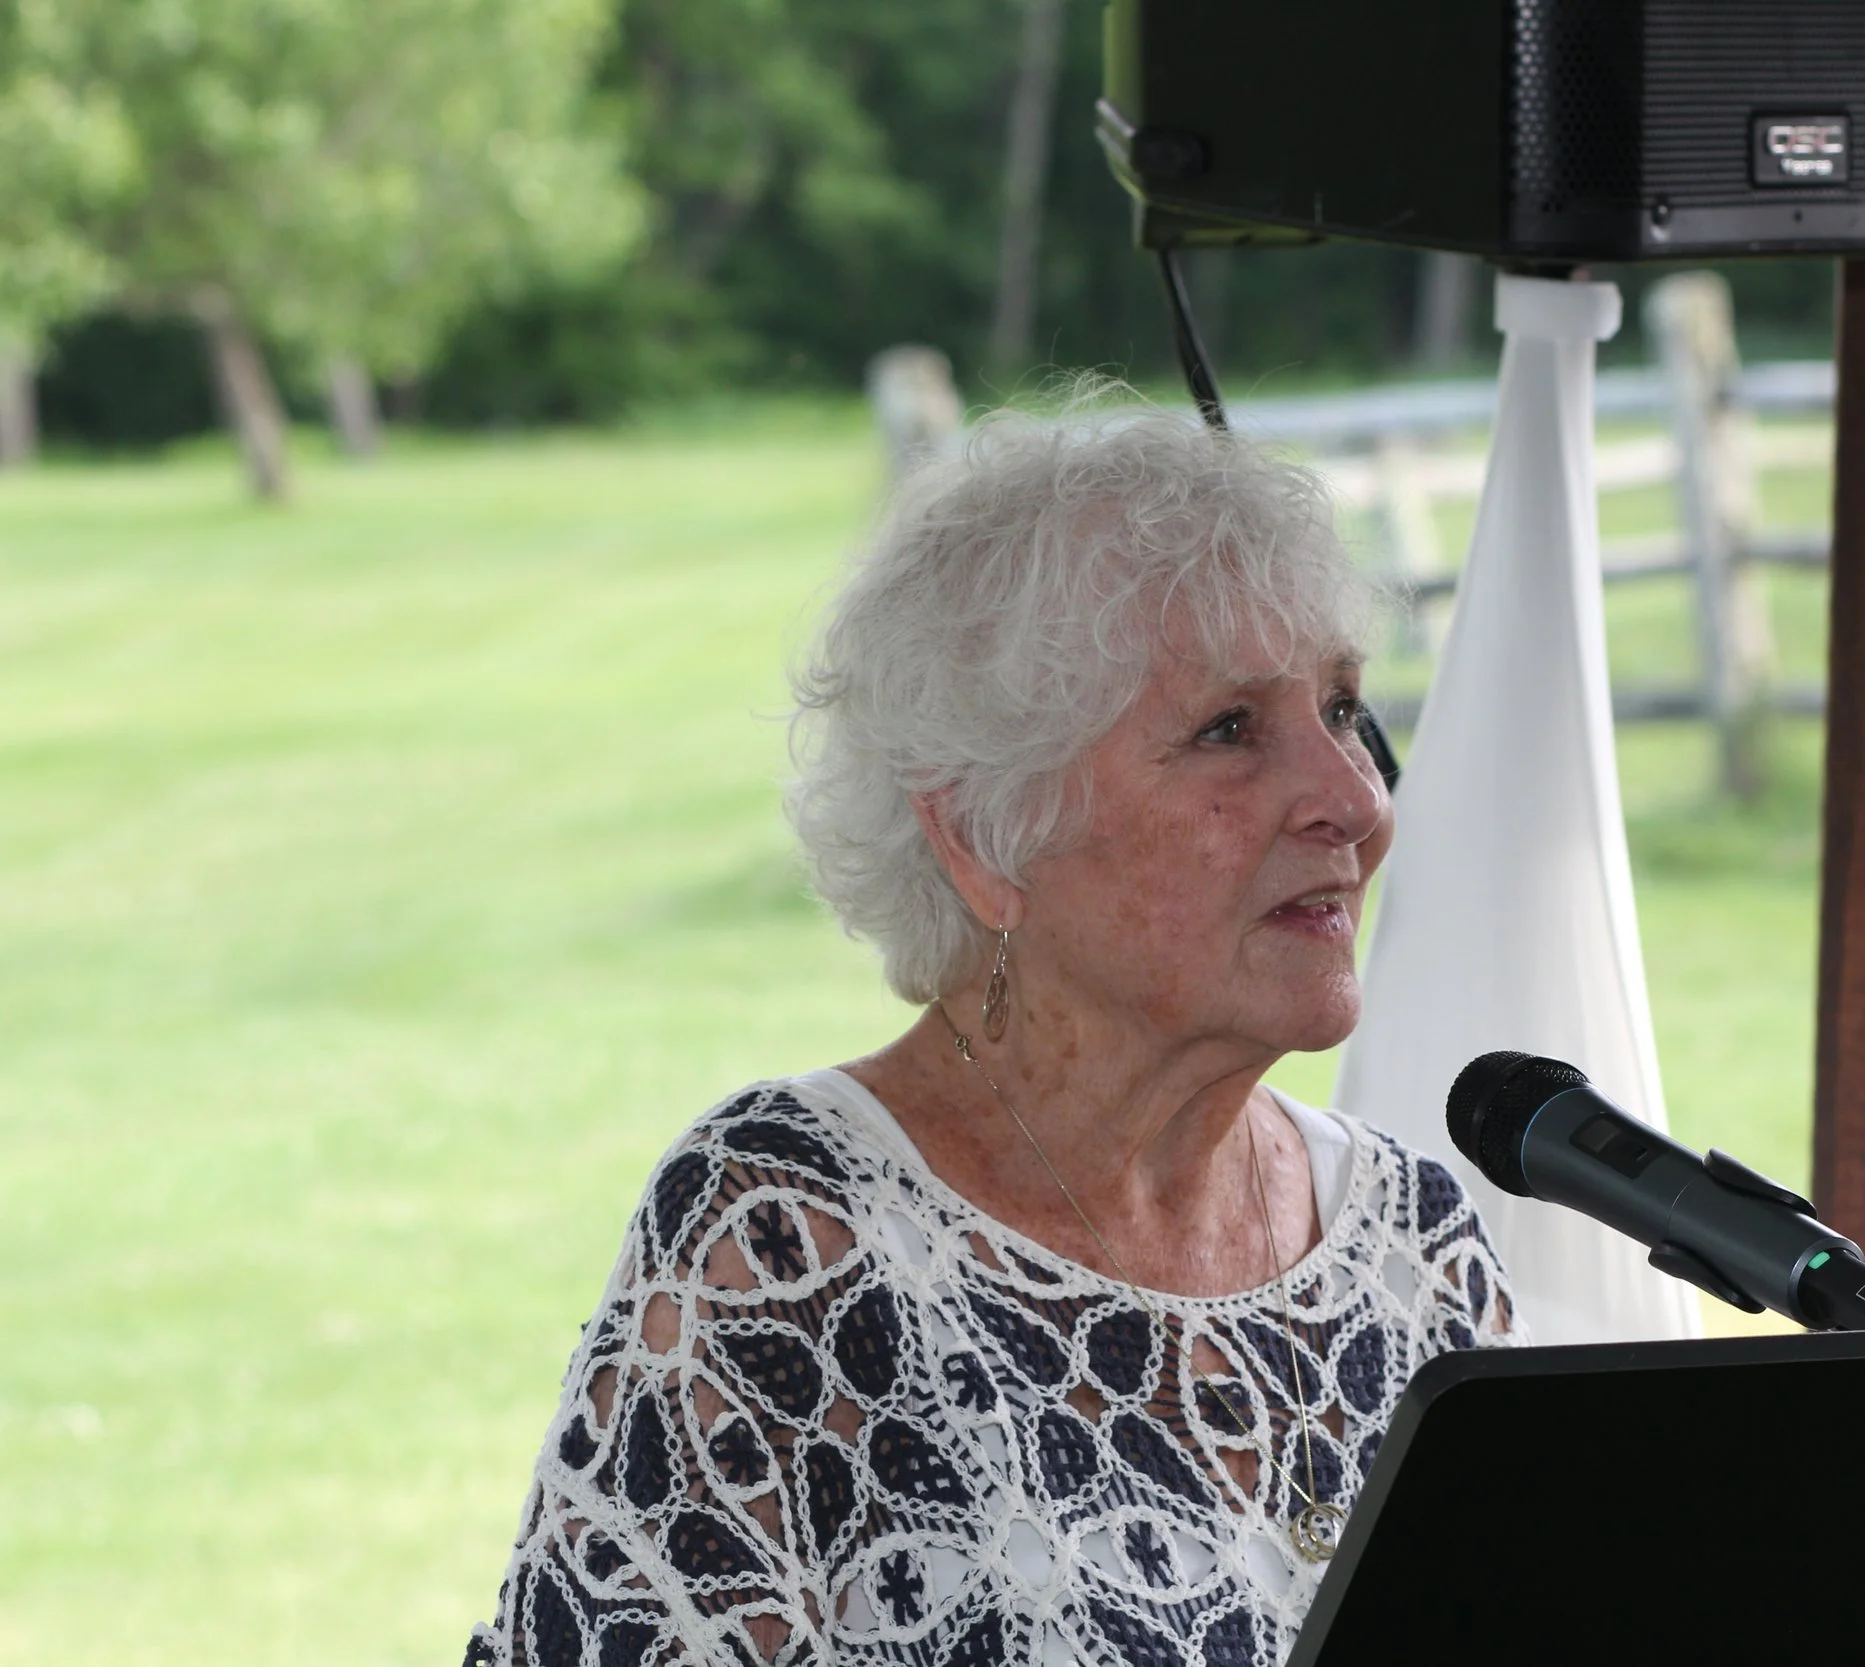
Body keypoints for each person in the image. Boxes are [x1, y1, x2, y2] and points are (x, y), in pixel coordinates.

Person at [469, 398, 1518, 1667]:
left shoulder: (1412, 1243)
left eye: (1345, 710)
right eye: (1229, 730)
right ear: (982, 837)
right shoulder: (793, 1238)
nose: (1354, 800)